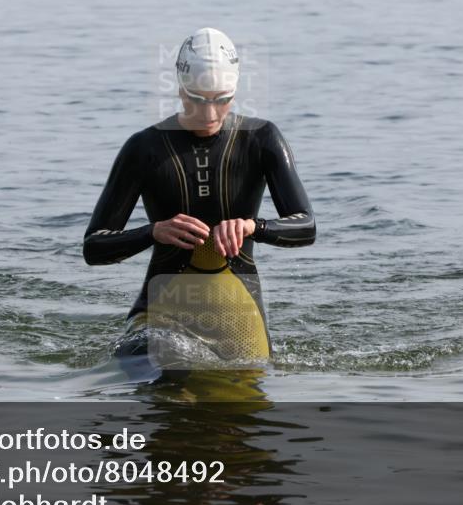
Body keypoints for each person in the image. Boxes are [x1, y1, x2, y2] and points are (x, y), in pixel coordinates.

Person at [83, 27, 315, 366]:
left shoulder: (262, 139)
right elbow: (94, 247)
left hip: (240, 316)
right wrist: (152, 232)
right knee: (150, 359)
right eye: (197, 99)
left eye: (221, 100)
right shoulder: (144, 148)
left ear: (235, 92)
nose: (209, 114)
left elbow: (306, 227)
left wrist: (254, 226)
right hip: (158, 313)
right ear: (179, 89)